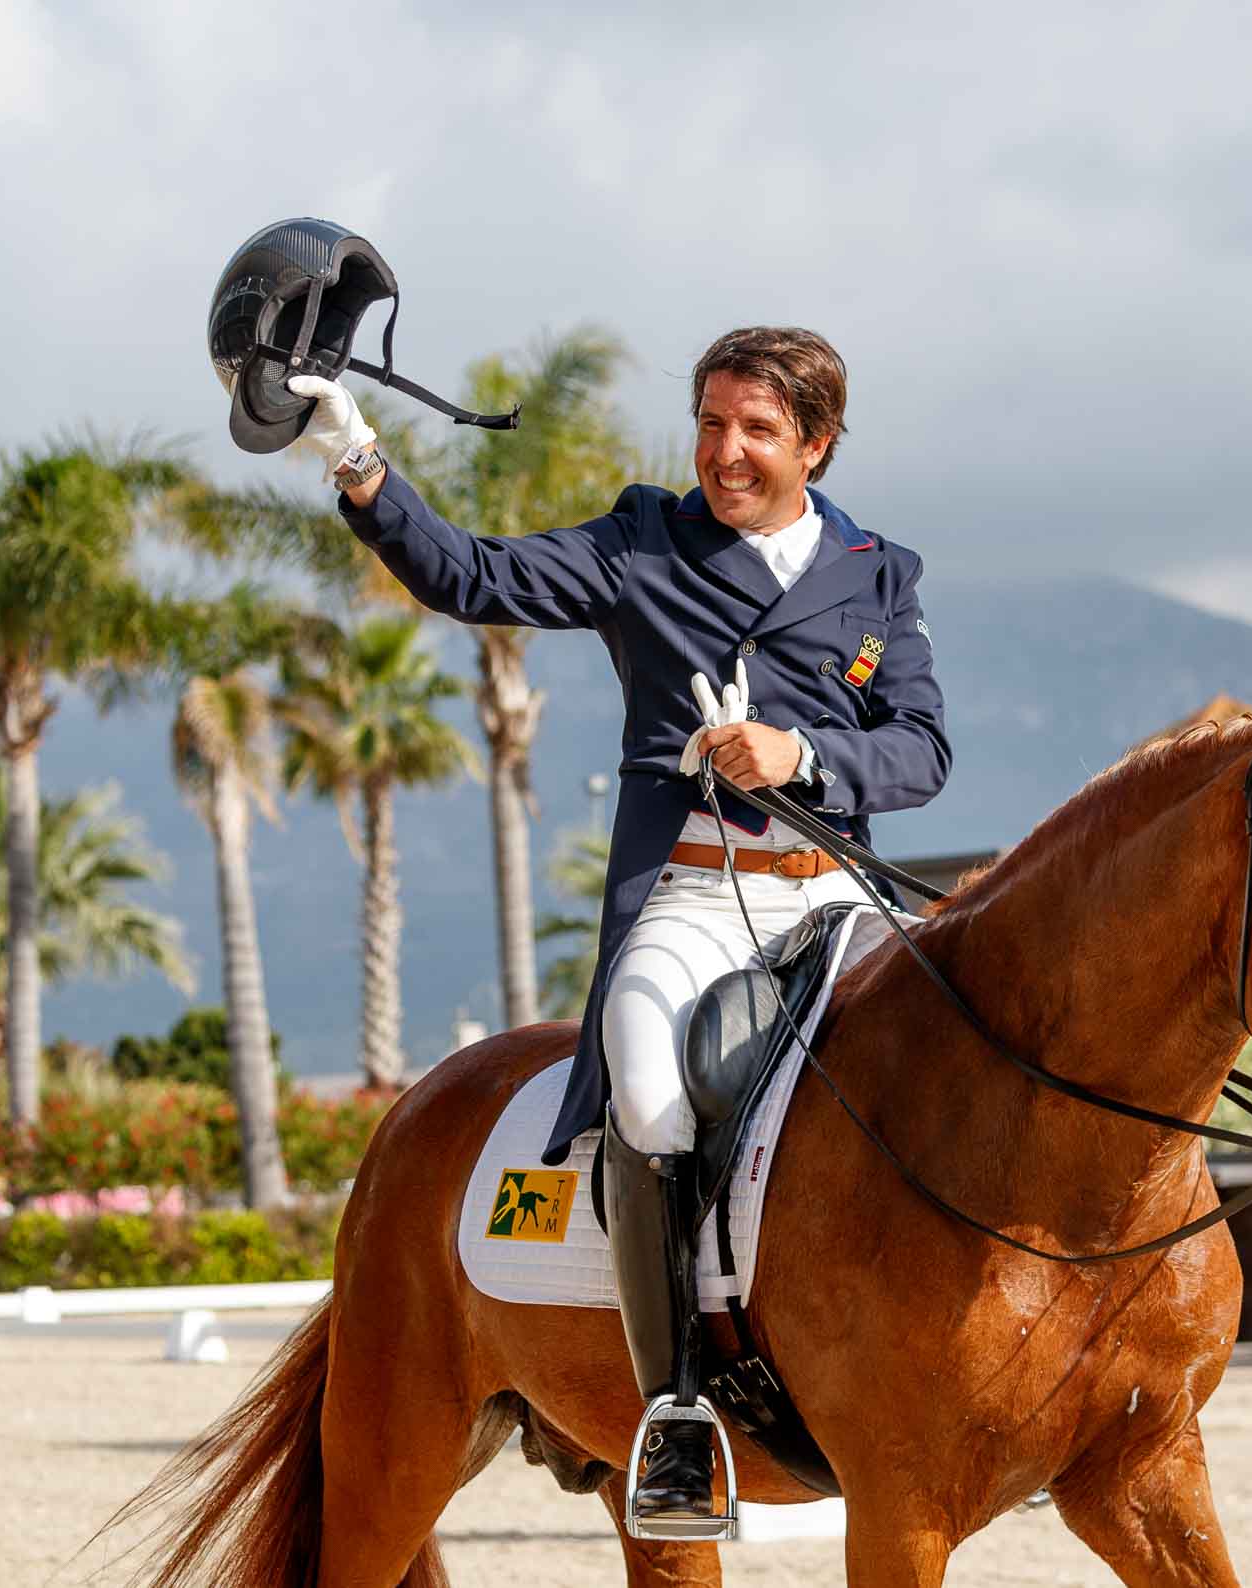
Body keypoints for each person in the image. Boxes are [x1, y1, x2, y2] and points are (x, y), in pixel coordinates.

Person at [276, 326, 950, 1522]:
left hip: (831, 896)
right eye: (709, 421)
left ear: (817, 444)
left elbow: (921, 751)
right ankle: (677, 1410)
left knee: (955, 1057)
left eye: (755, 430)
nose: (723, 450)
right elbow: (470, 576)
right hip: (693, 893)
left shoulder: (879, 571)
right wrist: (357, 459)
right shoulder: (645, 540)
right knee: (647, 1091)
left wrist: (805, 753)